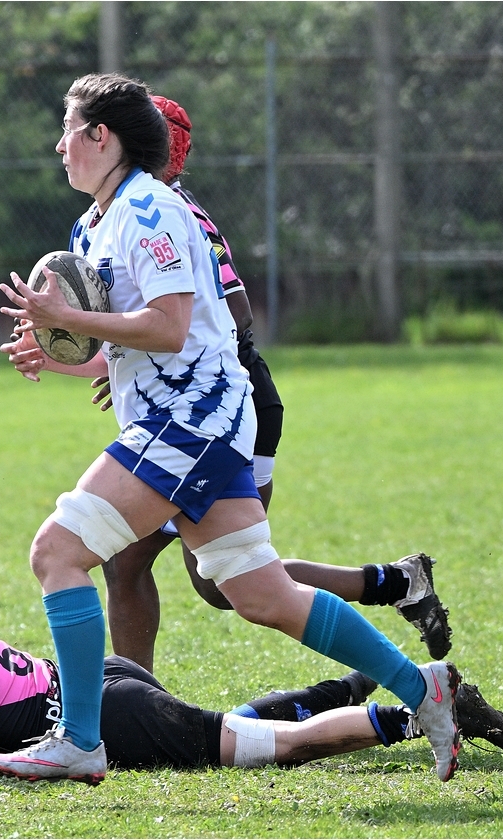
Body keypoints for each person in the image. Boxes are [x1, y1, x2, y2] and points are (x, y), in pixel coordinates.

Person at [0, 73, 462, 784]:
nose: (60, 146)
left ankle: (81, 740)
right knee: (265, 597)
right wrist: (59, 355)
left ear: (101, 136)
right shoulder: (94, 224)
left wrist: (68, 317)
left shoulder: (151, 208)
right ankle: (422, 688)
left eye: (68, 130)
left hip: (191, 423)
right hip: (196, 422)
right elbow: (133, 347)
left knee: (57, 552)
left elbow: (169, 327)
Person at [98, 94, 452, 674]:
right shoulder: (125, 214)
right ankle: (396, 583)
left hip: (222, 408)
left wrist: (170, 358)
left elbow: (235, 312)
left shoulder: (168, 213)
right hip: (193, 408)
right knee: (169, 571)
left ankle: (132, 700)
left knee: (213, 578)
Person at [0, 565, 503, 778]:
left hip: (110, 717)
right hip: (104, 683)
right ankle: (345, 687)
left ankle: (417, 715)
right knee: (230, 728)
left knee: (277, 747)